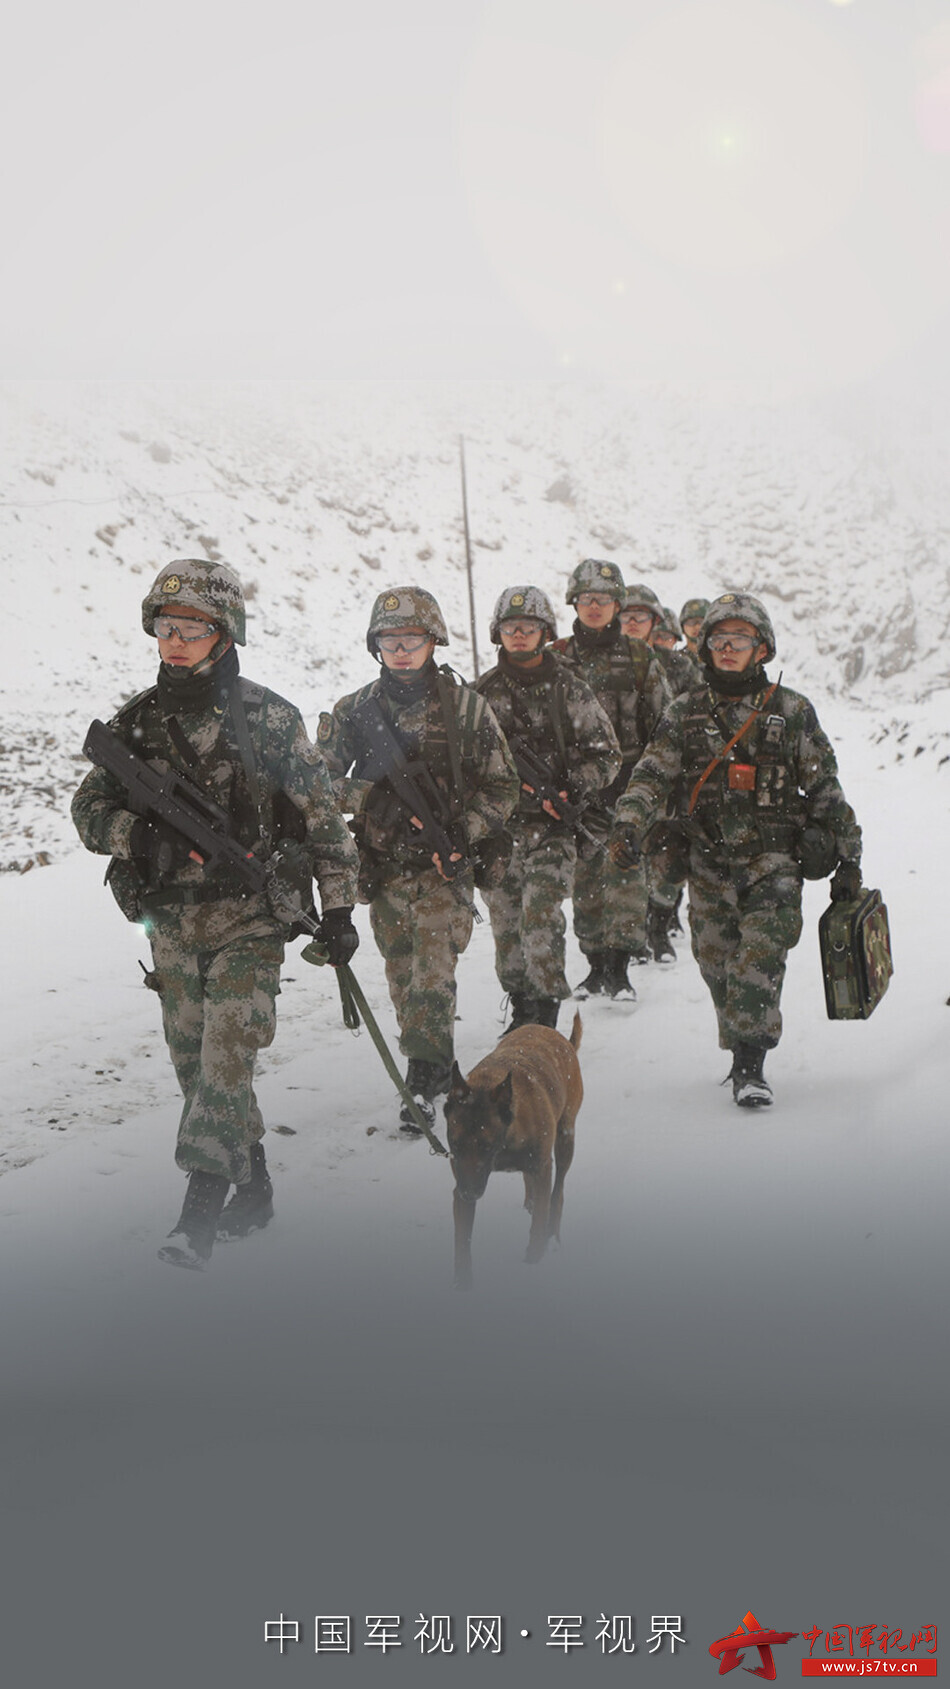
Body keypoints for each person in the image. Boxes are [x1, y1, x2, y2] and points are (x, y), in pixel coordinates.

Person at [71, 560, 360, 1267]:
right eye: (165, 628)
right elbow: (88, 807)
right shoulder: (136, 725)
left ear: (223, 635)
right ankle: (253, 1184)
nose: (175, 641)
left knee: (229, 1052)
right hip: (169, 928)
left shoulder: (269, 717)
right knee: (199, 1073)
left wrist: (341, 906)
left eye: (191, 628)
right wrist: (138, 837)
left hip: (251, 921)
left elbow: (325, 821)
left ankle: (195, 1219)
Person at [611, 592, 863, 1107]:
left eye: (740, 641)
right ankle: (740, 1045)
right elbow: (651, 774)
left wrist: (849, 857)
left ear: (761, 649)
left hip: (773, 861)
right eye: (719, 641)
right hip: (707, 861)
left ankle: (751, 1064)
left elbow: (825, 789)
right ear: (705, 650)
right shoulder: (683, 713)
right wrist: (628, 825)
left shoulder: (791, 711)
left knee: (760, 957)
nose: (728, 650)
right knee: (715, 961)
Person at [318, 587, 519, 1131]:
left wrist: (463, 829)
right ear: (374, 645)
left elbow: (504, 789)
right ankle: (428, 1060)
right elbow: (316, 783)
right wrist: (370, 801)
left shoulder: (469, 709)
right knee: (403, 974)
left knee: (433, 975)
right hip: (382, 867)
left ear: (434, 641)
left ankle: (427, 1078)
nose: (401, 650)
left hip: (443, 868)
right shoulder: (353, 711)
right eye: (390, 640)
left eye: (412, 639)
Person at [476, 585, 620, 1027]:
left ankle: (544, 1018)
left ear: (545, 632)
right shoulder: (479, 695)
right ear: (497, 634)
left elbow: (607, 754)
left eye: (530, 627)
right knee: (506, 926)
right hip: (498, 831)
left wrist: (574, 787)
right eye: (510, 627)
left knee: (540, 916)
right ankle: (521, 1009)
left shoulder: (570, 690)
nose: (519, 635)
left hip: (553, 829)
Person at [551, 560, 670, 997]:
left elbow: (663, 724)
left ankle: (619, 968)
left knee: (624, 877)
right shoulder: (557, 657)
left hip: (628, 789)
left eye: (603, 600)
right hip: (577, 790)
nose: (594, 607)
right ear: (574, 604)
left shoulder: (641, 658)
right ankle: (595, 963)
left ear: (617, 605)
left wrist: (651, 787)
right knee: (585, 882)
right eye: (587, 599)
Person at [680, 597, 711, 663]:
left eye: (702, 622)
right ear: (682, 627)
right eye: (691, 622)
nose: (697, 627)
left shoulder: (721, 658)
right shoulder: (675, 660)